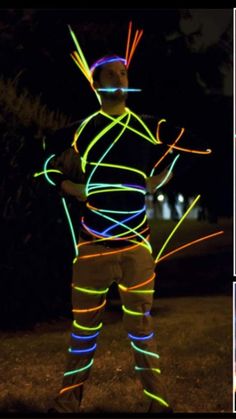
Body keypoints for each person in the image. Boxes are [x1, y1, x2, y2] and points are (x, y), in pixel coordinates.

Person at [44, 54, 209, 414]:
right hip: (93, 245)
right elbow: (45, 164)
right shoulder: (82, 129)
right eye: (112, 74)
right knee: (83, 329)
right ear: (97, 85)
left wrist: (159, 178)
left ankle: (158, 403)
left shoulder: (148, 126)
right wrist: (71, 187)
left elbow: (196, 145)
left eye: (125, 72)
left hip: (136, 245)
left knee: (142, 329)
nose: (121, 78)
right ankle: (67, 403)